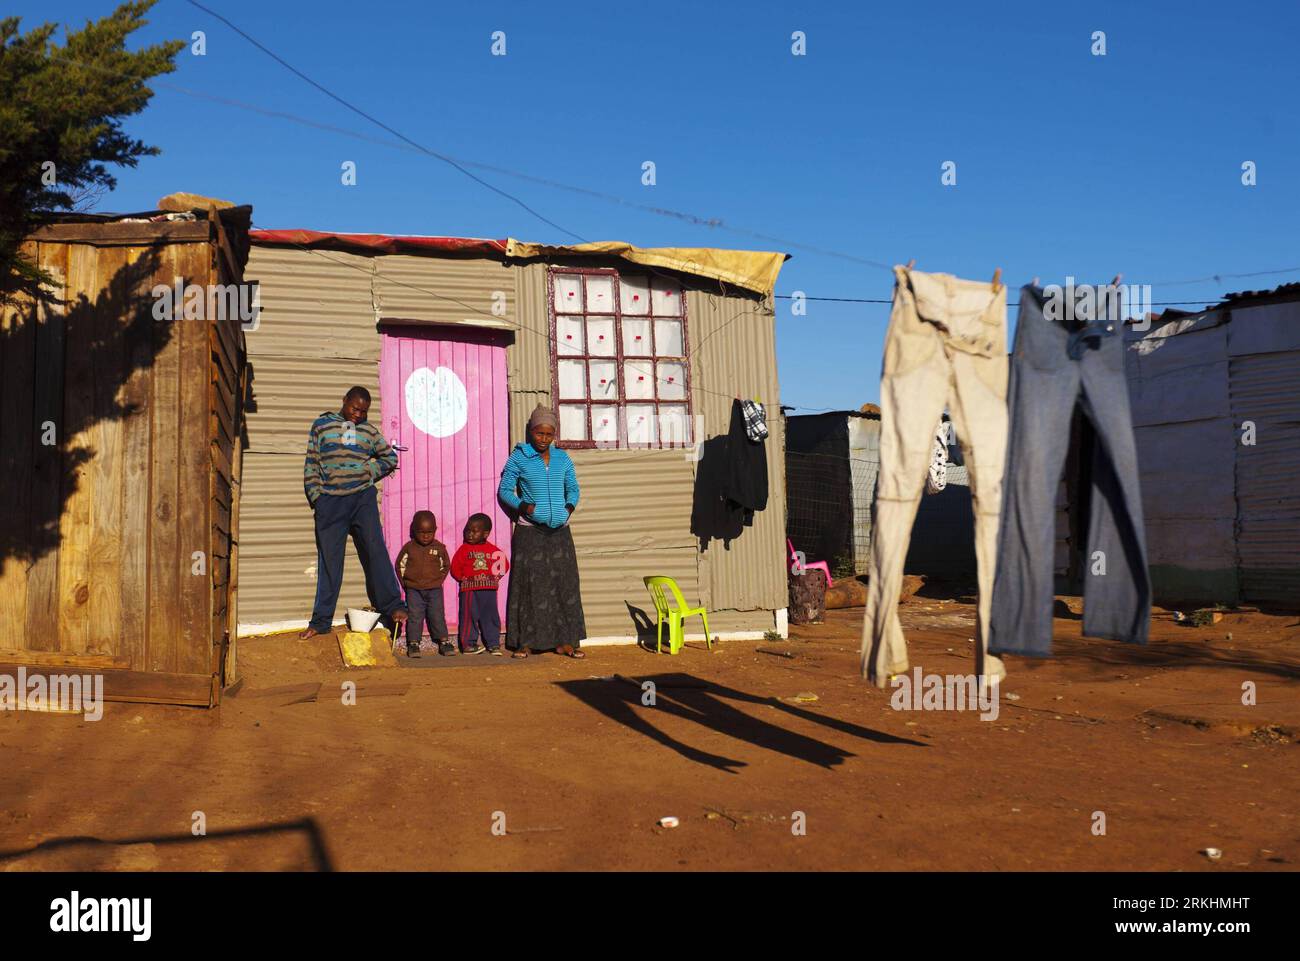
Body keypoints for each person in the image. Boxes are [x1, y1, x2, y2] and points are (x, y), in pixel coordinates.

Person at [300, 386, 407, 639]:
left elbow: (389, 459)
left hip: (362, 500)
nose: (358, 414)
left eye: (363, 411)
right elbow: (312, 462)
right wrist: (317, 497)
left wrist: (367, 472)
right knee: (330, 561)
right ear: (344, 401)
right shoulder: (322, 425)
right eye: (354, 408)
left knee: (375, 551)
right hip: (330, 503)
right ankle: (321, 621)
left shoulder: (369, 431)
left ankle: (393, 607)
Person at [498, 405, 587, 659]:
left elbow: (574, 489)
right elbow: (505, 490)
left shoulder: (562, 458)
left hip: (560, 531)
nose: (544, 439)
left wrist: (568, 508)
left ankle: (566, 642)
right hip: (530, 532)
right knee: (530, 586)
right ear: (531, 431)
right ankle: (525, 643)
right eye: (539, 434)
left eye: (549, 435)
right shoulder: (519, 457)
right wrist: (524, 506)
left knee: (564, 585)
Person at [394, 510, 452, 658]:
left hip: (434, 590)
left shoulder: (439, 548)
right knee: (415, 616)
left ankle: (444, 642)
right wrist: (406, 584)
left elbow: (445, 566)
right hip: (414, 590)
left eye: (429, 532)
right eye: (421, 532)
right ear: (414, 531)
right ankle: (413, 644)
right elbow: (400, 566)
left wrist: (437, 581)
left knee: (437, 615)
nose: (425, 536)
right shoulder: (409, 548)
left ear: (435, 530)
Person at [449, 513, 509, 656]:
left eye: (474, 531)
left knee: (491, 616)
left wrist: (496, 577)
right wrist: (461, 578)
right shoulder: (464, 549)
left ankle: (493, 644)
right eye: (467, 531)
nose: (470, 534)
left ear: (485, 534)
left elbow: (504, 564)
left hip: (489, 590)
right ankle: (469, 645)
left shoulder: (493, 550)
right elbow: (455, 566)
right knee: (469, 616)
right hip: (470, 590)